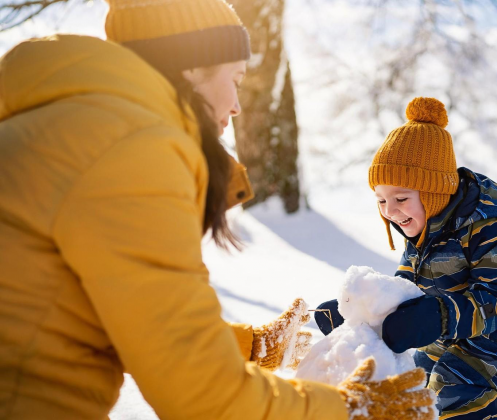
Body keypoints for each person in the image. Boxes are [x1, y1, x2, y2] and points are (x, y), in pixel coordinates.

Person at [0, 1, 437, 419]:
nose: (236, 104)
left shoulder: (74, 129)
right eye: (237, 79)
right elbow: (199, 392)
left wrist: (250, 346)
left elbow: (139, 326)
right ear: (191, 66)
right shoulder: (127, 151)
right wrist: (343, 411)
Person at [315, 97, 497, 419]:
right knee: (417, 384)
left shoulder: (492, 231)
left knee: (456, 386)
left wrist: (435, 318)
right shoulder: (422, 234)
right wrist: (362, 317)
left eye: (401, 198)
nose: (390, 211)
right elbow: (403, 292)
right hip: (451, 324)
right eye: (382, 200)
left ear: (435, 193)